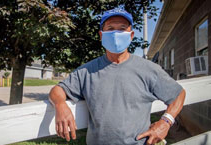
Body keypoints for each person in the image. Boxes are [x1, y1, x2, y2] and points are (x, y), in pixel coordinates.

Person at [49, 8, 186, 145]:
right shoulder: (87, 71)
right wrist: (60, 105)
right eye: (110, 28)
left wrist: (166, 122)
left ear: (131, 35)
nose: (116, 33)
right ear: (101, 35)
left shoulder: (149, 69)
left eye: (122, 29)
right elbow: (57, 90)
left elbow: (178, 94)